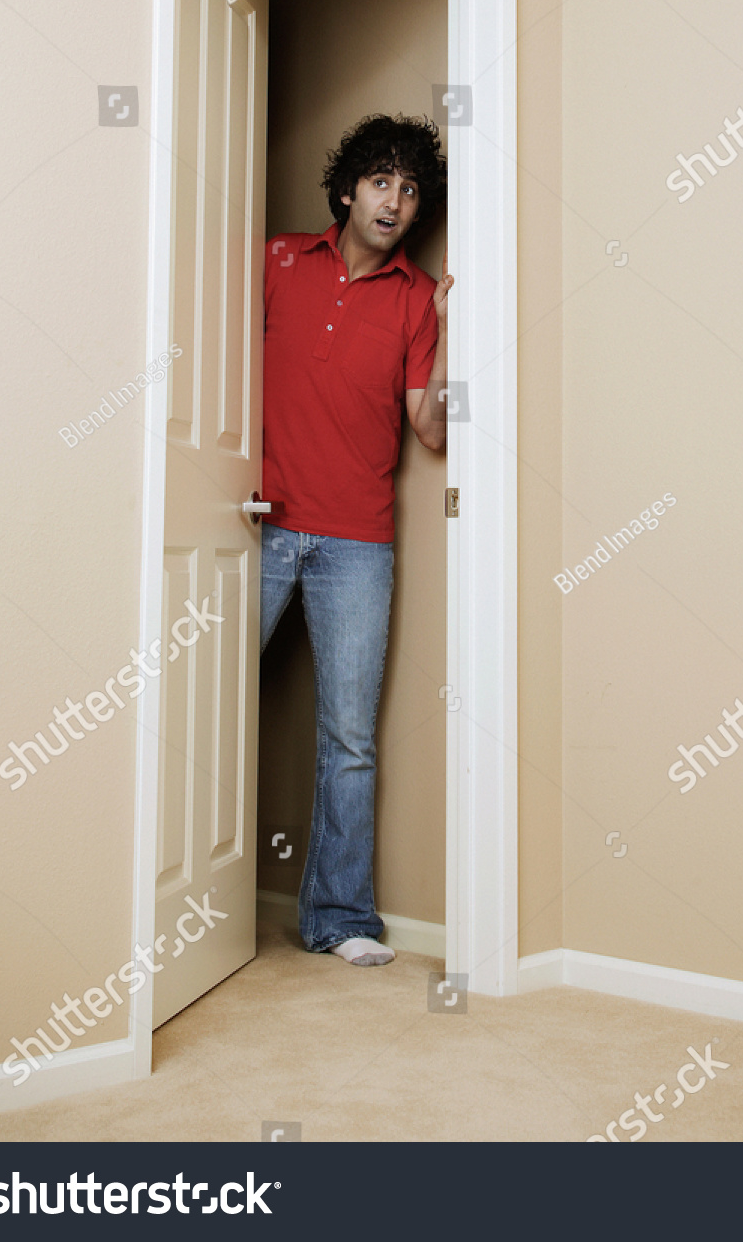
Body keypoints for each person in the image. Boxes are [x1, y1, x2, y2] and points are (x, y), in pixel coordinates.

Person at [260, 113, 452, 966]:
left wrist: (449, 333)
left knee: (349, 738)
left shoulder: (414, 299)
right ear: (346, 190)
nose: (395, 199)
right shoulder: (275, 261)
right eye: (381, 181)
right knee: (189, 702)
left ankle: (339, 919)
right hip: (256, 523)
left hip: (357, 543)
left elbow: (432, 432)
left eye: (410, 189)